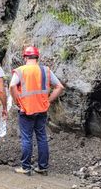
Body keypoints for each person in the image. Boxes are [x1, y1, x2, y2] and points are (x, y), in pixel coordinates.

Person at [9, 46, 65, 176]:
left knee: (27, 138)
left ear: (25, 57)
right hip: (42, 109)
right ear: (37, 57)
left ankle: (26, 167)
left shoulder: (21, 71)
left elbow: (12, 85)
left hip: (26, 109)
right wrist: (49, 100)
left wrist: (16, 100)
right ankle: (42, 167)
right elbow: (59, 87)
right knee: (42, 137)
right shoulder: (45, 70)